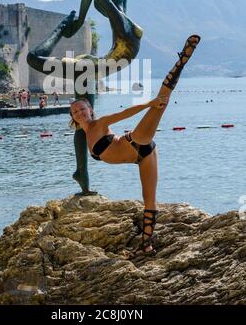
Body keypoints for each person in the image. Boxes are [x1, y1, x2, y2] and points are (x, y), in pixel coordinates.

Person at [69, 35, 201, 257]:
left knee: (160, 102)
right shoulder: (81, 136)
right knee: (149, 199)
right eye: (75, 111)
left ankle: (182, 60)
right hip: (142, 156)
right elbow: (81, 165)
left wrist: (147, 103)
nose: (80, 113)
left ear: (90, 110)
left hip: (135, 141)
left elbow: (122, 113)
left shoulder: (99, 123)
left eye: (83, 109)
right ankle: (146, 245)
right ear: (72, 117)